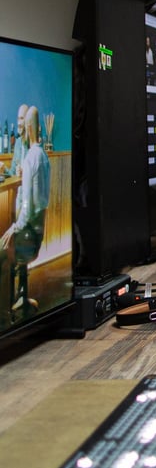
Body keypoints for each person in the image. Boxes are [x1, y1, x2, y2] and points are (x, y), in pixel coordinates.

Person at [0, 106, 50, 316]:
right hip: (38, 233)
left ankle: (4, 312)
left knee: (2, 247)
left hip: (28, 235)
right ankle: (17, 297)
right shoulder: (43, 156)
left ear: (28, 127)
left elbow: (28, 207)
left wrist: (14, 227)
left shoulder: (31, 158)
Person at [2, 103, 28, 178]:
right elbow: (12, 174)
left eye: (22, 118)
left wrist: (24, 173)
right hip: (18, 189)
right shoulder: (18, 143)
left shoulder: (32, 144)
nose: (19, 123)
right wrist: (3, 168)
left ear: (28, 120)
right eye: (18, 119)